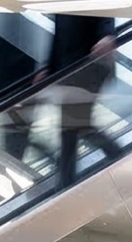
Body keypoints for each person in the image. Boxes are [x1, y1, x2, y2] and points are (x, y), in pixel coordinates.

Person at [43, 14, 121, 187]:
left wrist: (107, 36)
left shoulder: (82, 0)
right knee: (74, 126)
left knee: (70, 126)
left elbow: (105, 14)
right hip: (70, 71)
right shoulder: (61, 6)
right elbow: (58, 37)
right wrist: (48, 69)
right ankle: (117, 153)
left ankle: (65, 184)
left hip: (91, 65)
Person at [0, 12, 41, 163]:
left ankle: (13, 164)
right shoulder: (13, 22)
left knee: (15, 134)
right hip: (13, 87)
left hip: (18, 87)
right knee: (14, 134)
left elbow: (9, 57)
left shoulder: (18, 22)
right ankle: (13, 162)